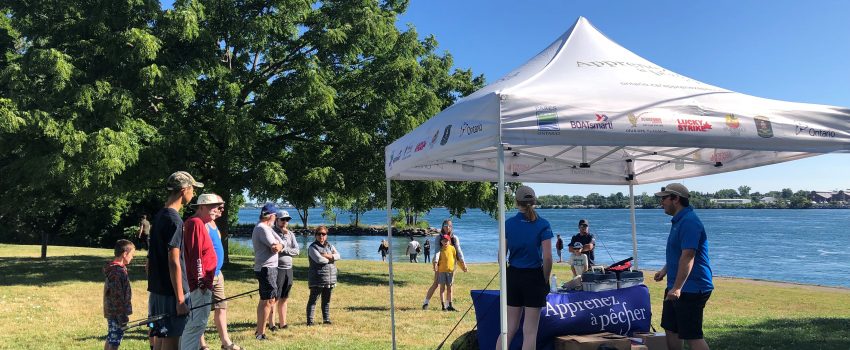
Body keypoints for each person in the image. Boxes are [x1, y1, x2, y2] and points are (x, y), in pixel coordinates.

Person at [653, 183, 713, 350]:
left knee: (692, 335)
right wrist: (665, 270)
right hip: (676, 286)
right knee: (671, 328)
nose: (661, 202)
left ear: (676, 199)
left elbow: (688, 255)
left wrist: (678, 288)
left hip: (692, 288)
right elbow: (679, 253)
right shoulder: (679, 220)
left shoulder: (689, 222)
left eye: (664, 198)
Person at [147, 171, 202, 350]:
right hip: (172, 294)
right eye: (192, 188)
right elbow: (174, 261)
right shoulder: (175, 220)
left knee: (160, 340)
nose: (193, 193)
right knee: (172, 343)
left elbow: (151, 258)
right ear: (183, 190)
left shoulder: (160, 216)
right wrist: (180, 300)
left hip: (157, 291)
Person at [495, 186, 553, 350]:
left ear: (516, 202)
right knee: (530, 332)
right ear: (534, 202)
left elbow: (501, 255)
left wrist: (507, 275)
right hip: (534, 277)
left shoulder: (509, 224)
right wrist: (545, 279)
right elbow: (547, 258)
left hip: (513, 276)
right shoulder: (543, 224)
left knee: (508, 328)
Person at [199, 194, 241, 350]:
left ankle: (226, 342)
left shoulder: (213, 224)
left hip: (218, 274)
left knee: (221, 306)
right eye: (219, 207)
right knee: (201, 310)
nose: (221, 210)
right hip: (206, 275)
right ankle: (202, 344)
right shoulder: (202, 225)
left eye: (222, 207)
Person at [179, 193, 220, 350]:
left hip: (200, 283)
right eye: (211, 207)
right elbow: (196, 255)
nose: (215, 210)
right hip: (200, 285)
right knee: (197, 324)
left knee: (196, 324)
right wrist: (201, 281)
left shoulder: (198, 223)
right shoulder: (196, 223)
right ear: (201, 207)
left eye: (216, 207)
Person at [252, 203, 283, 340]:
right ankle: (261, 333)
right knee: (268, 300)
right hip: (266, 268)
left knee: (265, 300)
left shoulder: (266, 228)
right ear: (271, 216)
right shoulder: (262, 229)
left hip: (268, 267)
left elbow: (281, 242)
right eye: (275, 215)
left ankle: (259, 329)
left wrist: (280, 244)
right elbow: (276, 247)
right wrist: (280, 245)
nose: (276, 218)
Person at [422, 219, 467, 310]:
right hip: (440, 264)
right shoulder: (439, 238)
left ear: (452, 227)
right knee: (436, 284)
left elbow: (458, 251)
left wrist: (463, 263)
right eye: (446, 225)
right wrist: (435, 262)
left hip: (451, 265)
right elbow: (437, 251)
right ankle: (425, 303)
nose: (448, 227)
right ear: (442, 226)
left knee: (450, 285)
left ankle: (449, 305)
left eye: (450, 226)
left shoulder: (454, 238)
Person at [269, 209, 300, 331]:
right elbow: (274, 249)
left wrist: (284, 248)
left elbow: (297, 251)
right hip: (277, 268)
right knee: (275, 297)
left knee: (285, 297)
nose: (285, 222)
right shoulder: (271, 233)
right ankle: (272, 324)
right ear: (276, 220)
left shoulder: (290, 234)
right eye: (282, 219)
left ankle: (283, 323)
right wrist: (282, 248)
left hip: (289, 268)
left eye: (287, 220)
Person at [103, 239, 135, 350]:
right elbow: (116, 296)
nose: (132, 257)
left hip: (114, 312)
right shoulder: (117, 272)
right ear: (125, 254)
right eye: (132, 254)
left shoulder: (117, 270)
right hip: (116, 313)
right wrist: (122, 316)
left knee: (111, 337)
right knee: (115, 341)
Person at [306, 225, 340, 325]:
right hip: (317, 278)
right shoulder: (312, 247)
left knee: (326, 300)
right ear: (315, 235)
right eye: (319, 234)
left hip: (329, 278)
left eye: (323, 234)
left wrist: (328, 256)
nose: (321, 236)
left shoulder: (330, 246)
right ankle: (310, 321)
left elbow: (338, 256)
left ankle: (326, 319)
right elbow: (319, 260)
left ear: (326, 235)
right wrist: (332, 258)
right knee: (313, 300)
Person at [433, 235, 466, 311]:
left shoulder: (453, 248)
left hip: (450, 271)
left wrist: (463, 267)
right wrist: (435, 266)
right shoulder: (440, 250)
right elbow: (436, 260)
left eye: (446, 240)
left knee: (450, 288)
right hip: (442, 271)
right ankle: (443, 306)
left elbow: (456, 259)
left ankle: (450, 305)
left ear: (449, 241)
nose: (445, 242)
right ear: (441, 242)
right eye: (443, 241)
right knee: (442, 289)